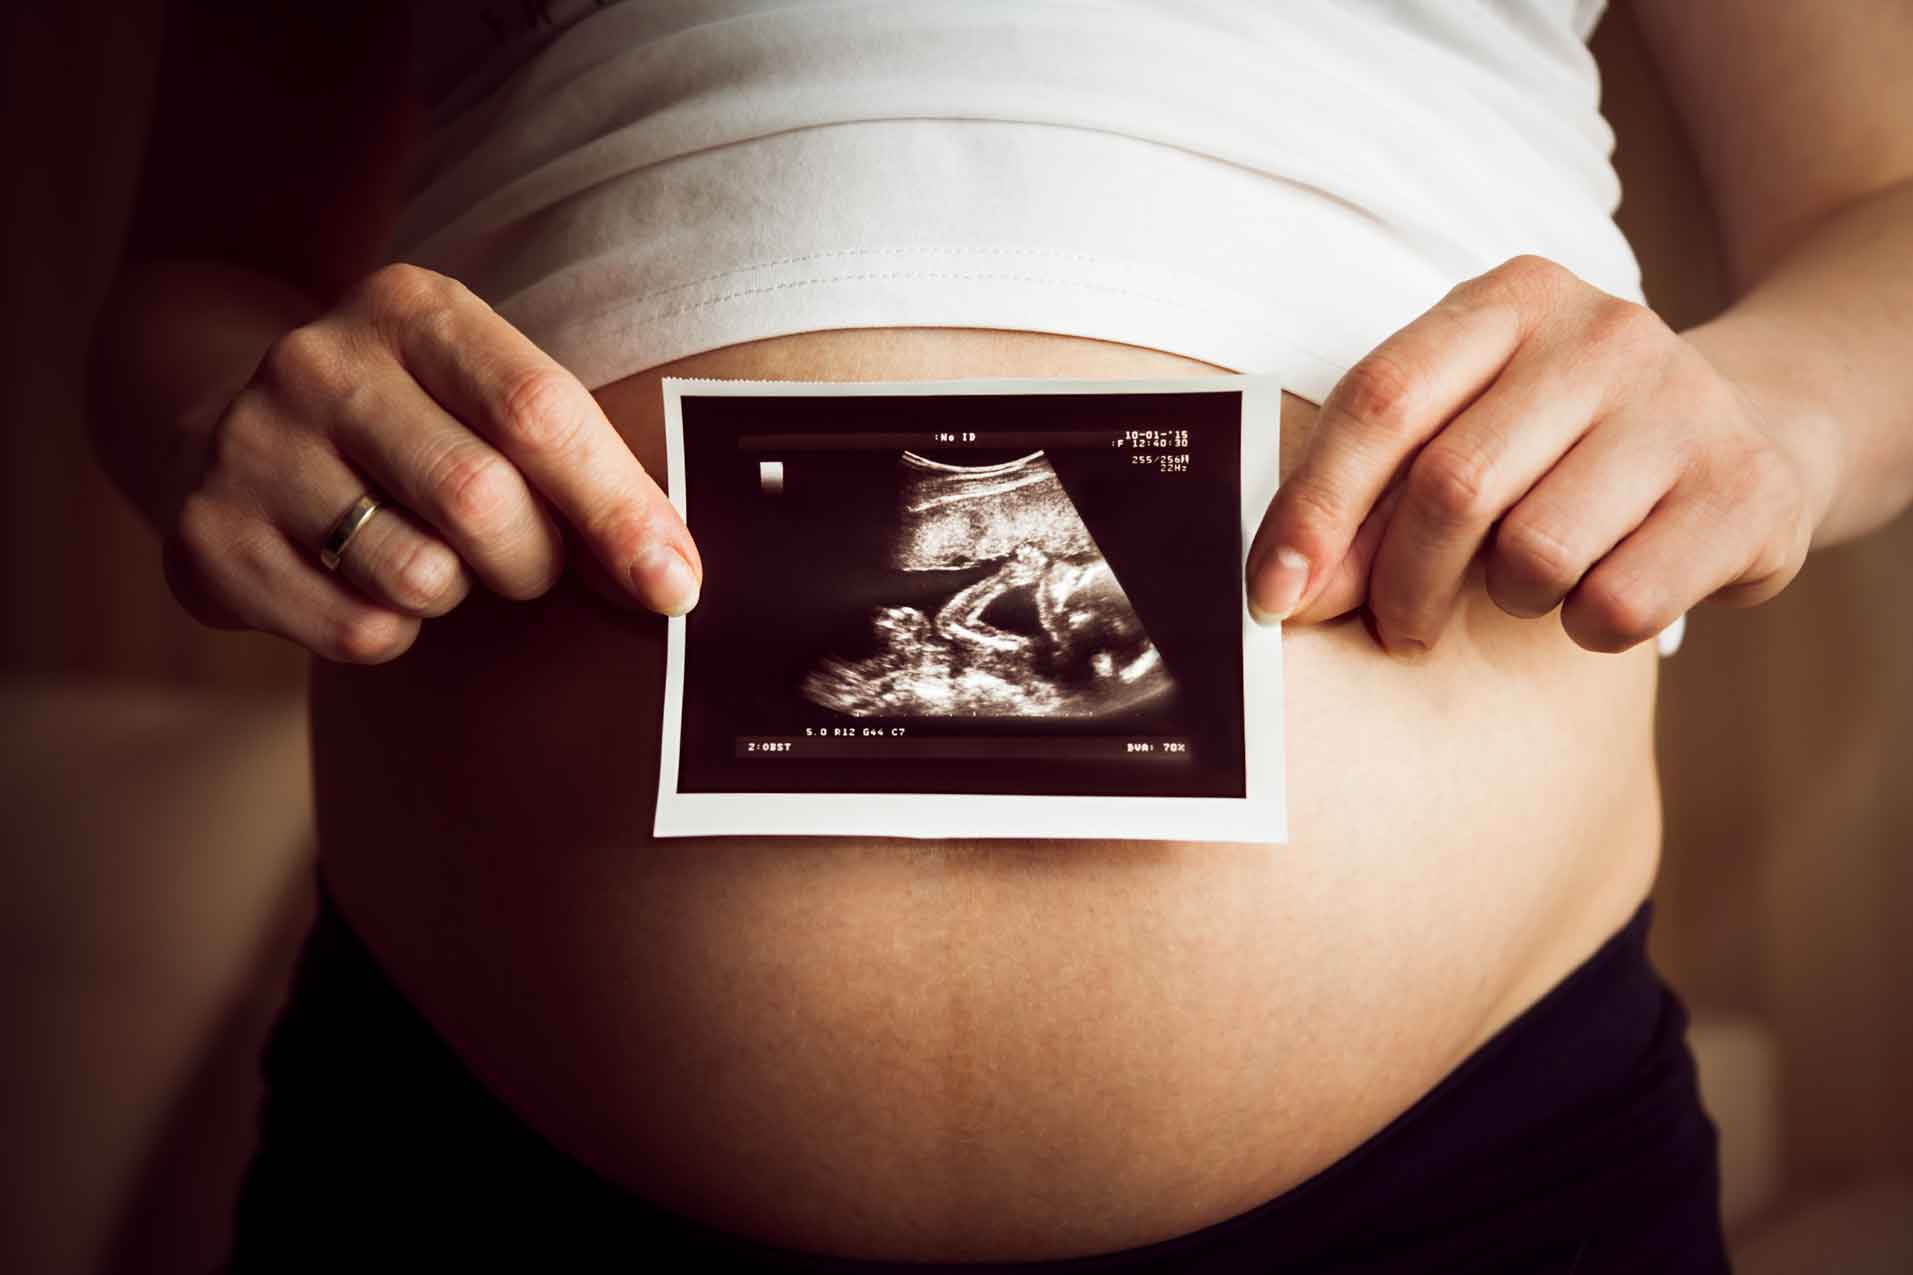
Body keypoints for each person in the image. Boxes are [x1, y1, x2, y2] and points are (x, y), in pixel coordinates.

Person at [85, 1, 1913, 1270]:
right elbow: (199, 268)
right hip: (479, 1168)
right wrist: (211, 414)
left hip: (1467, 1169)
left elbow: (1879, 211)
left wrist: (1778, 414)